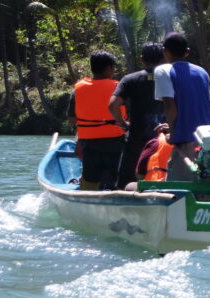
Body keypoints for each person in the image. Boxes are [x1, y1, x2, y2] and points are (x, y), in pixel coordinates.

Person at [154, 33, 210, 181]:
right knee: (208, 190)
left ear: (164, 51)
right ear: (187, 52)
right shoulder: (202, 72)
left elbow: (169, 105)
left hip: (186, 141)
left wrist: (173, 135)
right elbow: (201, 105)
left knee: (178, 192)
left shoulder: (163, 71)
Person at [108, 42, 165, 189]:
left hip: (137, 139)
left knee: (125, 182)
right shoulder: (171, 78)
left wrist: (123, 123)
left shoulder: (130, 79)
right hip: (164, 138)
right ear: (163, 58)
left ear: (142, 59)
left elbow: (113, 105)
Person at [67, 51, 126, 190]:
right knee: (118, 176)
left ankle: (88, 191)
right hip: (115, 142)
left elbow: (72, 119)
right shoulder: (119, 88)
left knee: (90, 177)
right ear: (109, 69)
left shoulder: (78, 89)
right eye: (113, 67)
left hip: (89, 143)